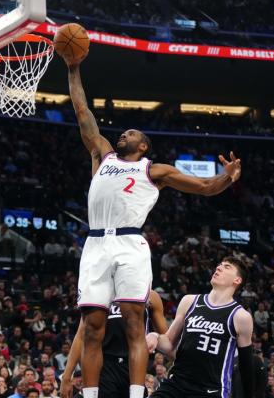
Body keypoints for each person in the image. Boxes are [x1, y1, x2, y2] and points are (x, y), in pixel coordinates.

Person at [64, 55, 242, 398]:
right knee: (92, 328)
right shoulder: (102, 155)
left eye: (131, 132)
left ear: (143, 145)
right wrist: (74, 68)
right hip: (96, 242)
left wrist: (228, 178)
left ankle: (135, 394)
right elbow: (82, 111)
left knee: (133, 320)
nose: (123, 133)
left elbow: (204, 188)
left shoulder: (154, 170)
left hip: (130, 243)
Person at [146, 257, 254, 398]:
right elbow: (168, 343)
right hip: (176, 384)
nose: (219, 267)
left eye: (227, 267)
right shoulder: (190, 301)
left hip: (210, 390)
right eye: (219, 264)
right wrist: (154, 336)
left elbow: (246, 367)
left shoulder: (240, 316)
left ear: (237, 280)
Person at [61, 290, 168, 398]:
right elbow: (81, 336)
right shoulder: (99, 292)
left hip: (134, 365)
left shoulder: (150, 295)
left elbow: (167, 338)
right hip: (104, 366)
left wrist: (155, 335)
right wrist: (66, 377)